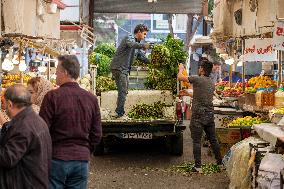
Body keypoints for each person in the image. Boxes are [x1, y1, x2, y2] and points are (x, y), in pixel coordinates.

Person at [39, 55, 102, 189]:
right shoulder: (91, 99)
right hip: (81, 161)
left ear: (65, 72)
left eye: (57, 72)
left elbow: (42, 130)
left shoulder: (52, 97)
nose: (55, 75)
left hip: (57, 159)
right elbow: (97, 133)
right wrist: (85, 150)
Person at [0, 84, 52, 188]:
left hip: (25, 183)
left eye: (4, 104)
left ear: (10, 104)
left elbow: (7, 158)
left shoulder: (24, 126)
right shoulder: (33, 119)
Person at [178, 60, 222, 173]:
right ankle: (220, 164)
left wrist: (181, 69)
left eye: (199, 68)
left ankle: (198, 166)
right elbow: (202, 94)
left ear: (202, 69)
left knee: (196, 140)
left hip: (198, 114)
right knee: (213, 140)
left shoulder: (197, 79)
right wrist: (188, 94)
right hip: (209, 114)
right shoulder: (211, 82)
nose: (199, 69)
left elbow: (180, 77)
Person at [111, 24, 150, 118]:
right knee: (123, 90)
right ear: (139, 32)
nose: (145, 36)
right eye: (144, 34)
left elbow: (141, 56)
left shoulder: (136, 44)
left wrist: (152, 62)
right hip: (119, 68)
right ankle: (119, 113)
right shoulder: (130, 38)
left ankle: (118, 112)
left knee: (123, 90)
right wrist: (144, 46)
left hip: (123, 69)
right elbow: (132, 44)